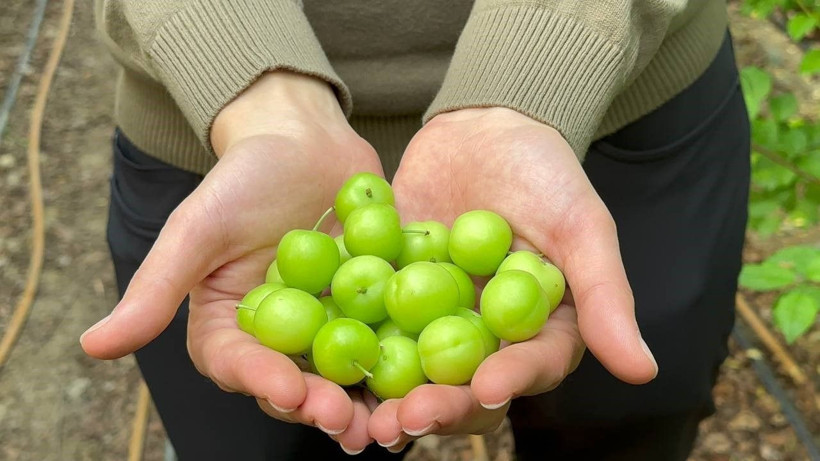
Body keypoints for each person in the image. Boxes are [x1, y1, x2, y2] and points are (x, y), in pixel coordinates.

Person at [82, 0, 749, 459]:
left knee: (623, 430)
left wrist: (534, 69)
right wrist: (254, 91)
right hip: (220, 134)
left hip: (610, 94)